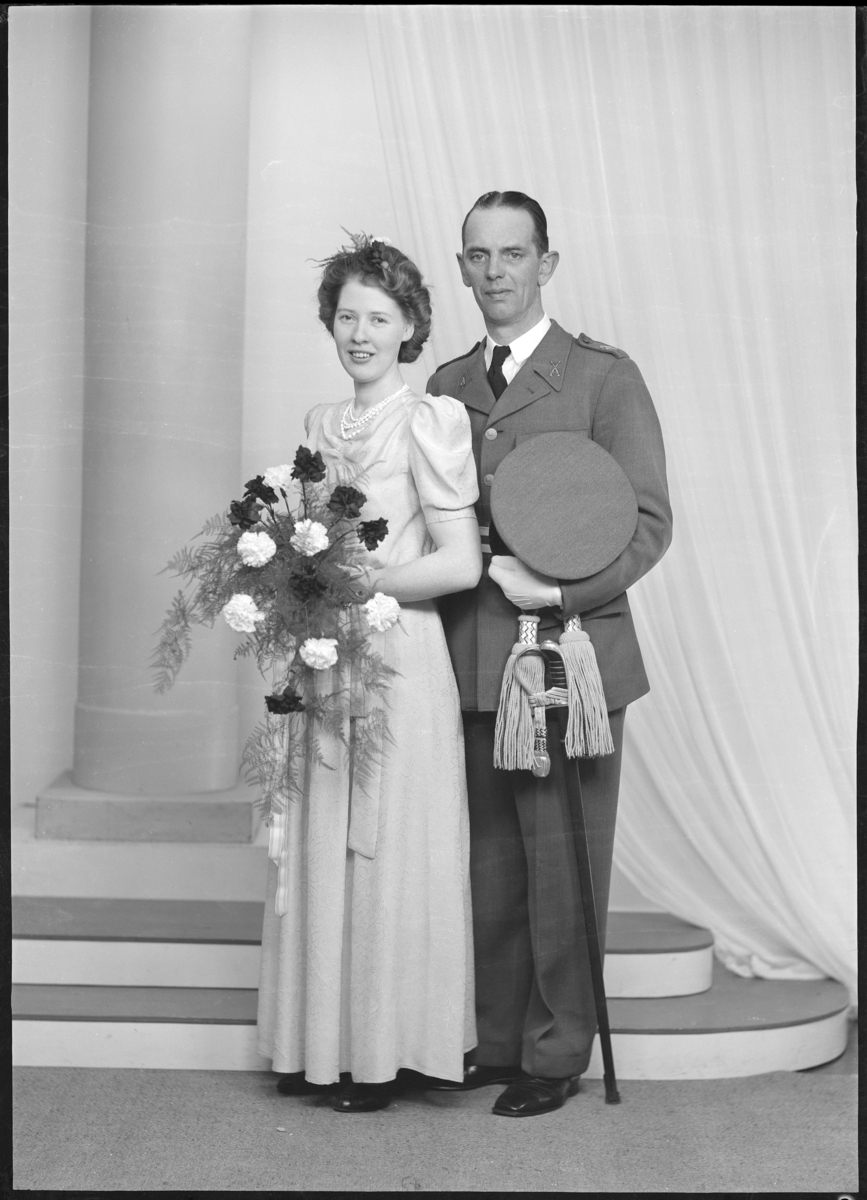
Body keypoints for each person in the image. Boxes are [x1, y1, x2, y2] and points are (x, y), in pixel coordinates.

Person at [425, 191, 672, 1117]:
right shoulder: (447, 382)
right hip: (472, 658)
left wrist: (562, 593)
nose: (495, 272)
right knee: (489, 861)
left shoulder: (602, 378)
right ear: (461, 267)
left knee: (562, 866)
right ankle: (496, 1040)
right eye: (478, 255)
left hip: (570, 659)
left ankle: (556, 1051)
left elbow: (647, 522)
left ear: (546, 263)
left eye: (513, 253)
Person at [256, 234, 482, 1113]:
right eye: (347, 317)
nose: (360, 334)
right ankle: (320, 1047)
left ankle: (387, 1056)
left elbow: (459, 562)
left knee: (387, 847)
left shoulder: (431, 420)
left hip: (398, 659)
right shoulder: (321, 424)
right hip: (324, 655)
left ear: (409, 328)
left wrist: (361, 584)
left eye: (378, 319)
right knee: (323, 834)